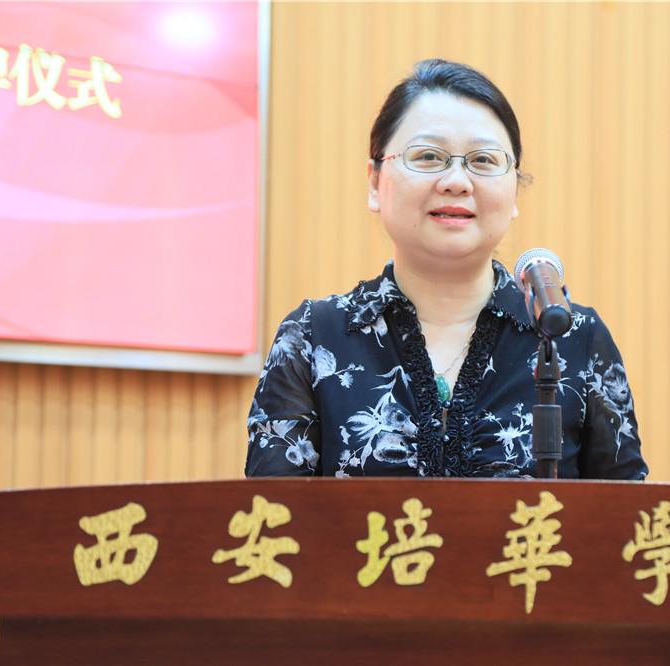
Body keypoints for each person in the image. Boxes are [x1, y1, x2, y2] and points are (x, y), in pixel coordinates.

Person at [246, 59, 647, 480]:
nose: (457, 181)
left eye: (484, 160)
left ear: (514, 191)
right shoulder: (313, 337)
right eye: (428, 156)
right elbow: (273, 513)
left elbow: (626, 514)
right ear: (375, 182)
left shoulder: (573, 336)